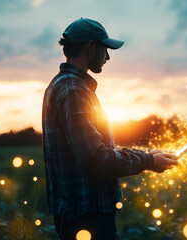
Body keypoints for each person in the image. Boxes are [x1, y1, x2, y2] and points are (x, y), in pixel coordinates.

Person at [42, 18, 178, 240]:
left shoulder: (66, 86)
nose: (108, 56)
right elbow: (96, 157)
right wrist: (149, 162)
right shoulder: (74, 90)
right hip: (86, 216)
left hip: (82, 213)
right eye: (105, 49)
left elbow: (97, 148)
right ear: (91, 46)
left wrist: (147, 156)